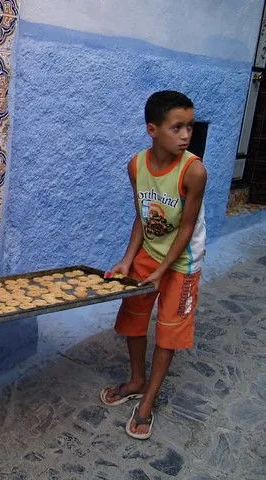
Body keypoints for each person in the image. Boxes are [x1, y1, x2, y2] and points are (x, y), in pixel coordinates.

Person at [100, 91, 207, 440]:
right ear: (152, 129)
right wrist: (127, 260)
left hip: (183, 260)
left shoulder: (194, 172)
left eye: (189, 126)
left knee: (168, 330)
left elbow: (187, 228)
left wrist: (163, 271)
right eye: (177, 127)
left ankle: (148, 400)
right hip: (149, 250)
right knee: (133, 314)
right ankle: (136, 379)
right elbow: (142, 218)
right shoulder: (136, 165)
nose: (186, 135)